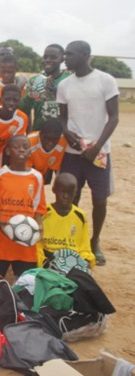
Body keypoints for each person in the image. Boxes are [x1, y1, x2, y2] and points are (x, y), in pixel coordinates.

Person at [57, 40, 119, 266]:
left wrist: (96, 147)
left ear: (86, 55)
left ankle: (95, 242)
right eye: (65, 54)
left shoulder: (105, 80)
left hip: (98, 153)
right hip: (72, 152)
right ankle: (71, 238)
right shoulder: (65, 85)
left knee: (100, 200)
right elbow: (62, 116)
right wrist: (66, 132)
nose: (65, 58)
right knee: (70, 197)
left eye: (70, 54)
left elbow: (114, 117)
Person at [0, 135, 47, 277]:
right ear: (7, 151)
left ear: (30, 152)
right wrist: (1, 224)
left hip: (26, 242)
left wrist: (39, 226)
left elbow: (38, 207)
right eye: (16, 147)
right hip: (1, 240)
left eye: (25, 147)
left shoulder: (37, 177)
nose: (21, 150)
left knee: (28, 282)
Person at [37, 172, 95, 267]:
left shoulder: (80, 216)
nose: (65, 196)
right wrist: (44, 261)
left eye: (70, 192)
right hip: (48, 259)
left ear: (75, 193)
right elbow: (37, 245)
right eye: (62, 192)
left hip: (72, 261)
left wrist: (85, 261)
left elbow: (84, 247)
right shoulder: (44, 213)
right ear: (54, 190)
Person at [20, 44, 70, 132]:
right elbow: (24, 111)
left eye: (53, 57)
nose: (48, 60)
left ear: (62, 59)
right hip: (39, 134)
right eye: (45, 57)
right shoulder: (34, 80)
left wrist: (58, 94)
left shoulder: (69, 80)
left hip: (64, 135)